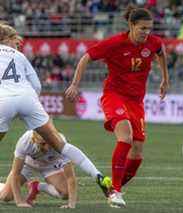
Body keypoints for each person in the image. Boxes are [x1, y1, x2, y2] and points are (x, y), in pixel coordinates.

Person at [65, 5, 169, 208]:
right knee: (126, 137)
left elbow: (161, 52)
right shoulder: (114, 43)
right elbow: (86, 57)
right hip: (114, 96)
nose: (146, 33)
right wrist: (75, 84)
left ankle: (113, 187)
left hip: (136, 101)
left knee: (137, 151)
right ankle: (116, 193)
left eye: (149, 29)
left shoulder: (153, 42)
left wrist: (165, 79)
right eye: (142, 28)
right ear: (131, 25)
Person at [0, 22, 111, 208]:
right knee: (61, 145)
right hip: (28, 98)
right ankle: (97, 175)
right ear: (6, 40)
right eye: (15, 42)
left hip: (3, 101)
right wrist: (28, 108)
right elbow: (37, 86)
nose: (17, 46)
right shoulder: (19, 56)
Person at [0, 131, 77, 208]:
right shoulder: (25, 141)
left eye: (50, 143)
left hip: (50, 165)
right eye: (43, 144)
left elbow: (70, 177)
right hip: (27, 163)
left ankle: (37, 186)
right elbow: (16, 173)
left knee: (67, 194)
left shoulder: (60, 142)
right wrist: (20, 202)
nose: (47, 148)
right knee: (6, 197)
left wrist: (71, 204)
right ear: (34, 140)